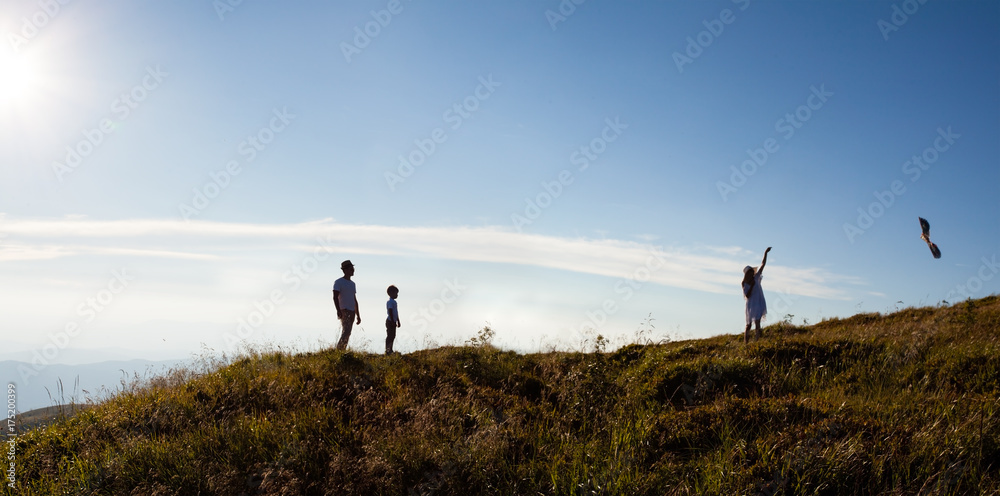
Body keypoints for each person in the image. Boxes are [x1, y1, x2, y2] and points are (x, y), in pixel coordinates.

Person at [742, 247, 771, 343]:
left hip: (758, 303)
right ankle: (746, 343)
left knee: (758, 323)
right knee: (748, 325)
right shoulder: (745, 283)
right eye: (749, 272)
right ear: (747, 274)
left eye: (751, 272)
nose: (751, 273)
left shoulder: (756, 277)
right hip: (751, 305)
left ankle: (756, 341)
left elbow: (763, 264)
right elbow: (747, 296)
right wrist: (751, 286)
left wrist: (765, 253)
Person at [333, 260, 361, 350]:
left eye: (353, 269)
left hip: (352, 311)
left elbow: (354, 299)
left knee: (348, 332)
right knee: (346, 331)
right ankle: (339, 350)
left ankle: (342, 350)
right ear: (345, 270)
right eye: (350, 269)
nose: (353, 271)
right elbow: (335, 297)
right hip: (344, 310)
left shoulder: (353, 284)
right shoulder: (339, 282)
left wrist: (358, 314)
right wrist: (338, 310)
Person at [385, 285, 401, 355]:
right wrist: (392, 321)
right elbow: (390, 311)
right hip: (390, 321)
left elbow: (396, 312)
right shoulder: (390, 302)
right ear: (391, 293)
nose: (397, 295)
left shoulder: (394, 302)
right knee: (390, 335)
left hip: (393, 321)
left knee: (393, 335)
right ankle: (388, 350)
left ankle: (390, 349)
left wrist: (398, 321)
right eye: (396, 293)